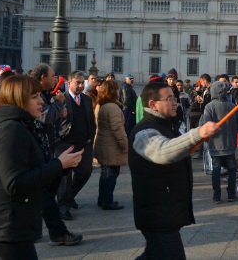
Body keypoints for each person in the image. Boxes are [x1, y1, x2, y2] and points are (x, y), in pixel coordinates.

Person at [0, 76, 83, 259]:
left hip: (14, 225)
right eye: (34, 97)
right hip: (9, 225)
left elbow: (33, 172)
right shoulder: (11, 130)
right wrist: (59, 164)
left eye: (39, 95)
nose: (41, 101)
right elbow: (15, 183)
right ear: (18, 99)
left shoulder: (21, 126)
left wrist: (62, 166)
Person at [129, 81, 219, 259]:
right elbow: (163, 151)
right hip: (157, 215)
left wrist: (196, 142)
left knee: (154, 255)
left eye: (174, 98)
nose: (175, 102)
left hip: (166, 211)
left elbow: (175, 147)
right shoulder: (144, 132)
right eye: (169, 99)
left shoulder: (166, 125)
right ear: (153, 104)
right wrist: (197, 134)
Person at [31, 63, 83, 246]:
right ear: (43, 77)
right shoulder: (34, 93)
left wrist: (59, 110)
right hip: (37, 150)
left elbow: (52, 115)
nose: (55, 79)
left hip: (44, 148)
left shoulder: (44, 94)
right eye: (53, 76)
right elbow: (45, 116)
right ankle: (58, 233)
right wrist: (59, 103)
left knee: (43, 194)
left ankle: (38, 230)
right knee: (45, 195)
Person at [56, 71, 97, 221]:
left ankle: (69, 196)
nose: (80, 86)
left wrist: (90, 138)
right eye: (77, 82)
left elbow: (91, 121)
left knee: (85, 172)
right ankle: (63, 207)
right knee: (65, 177)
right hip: (65, 143)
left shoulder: (86, 99)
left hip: (83, 144)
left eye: (82, 83)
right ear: (69, 83)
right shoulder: (62, 99)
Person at [202, 81, 238, 203]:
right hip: (230, 144)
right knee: (232, 169)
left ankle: (217, 196)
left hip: (215, 145)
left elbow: (206, 125)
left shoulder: (209, 107)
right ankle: (231, 194)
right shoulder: (232, 106)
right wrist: (234, 129)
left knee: (216, 170)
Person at [94, 80, 128, 210]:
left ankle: (102, 199)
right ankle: (107, 200)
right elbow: (117, 129)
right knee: (111, 174)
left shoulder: (102, 105)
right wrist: (125, 145)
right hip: (111, 145)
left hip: (103, 143)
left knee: (105, 173)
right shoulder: (112, 107)